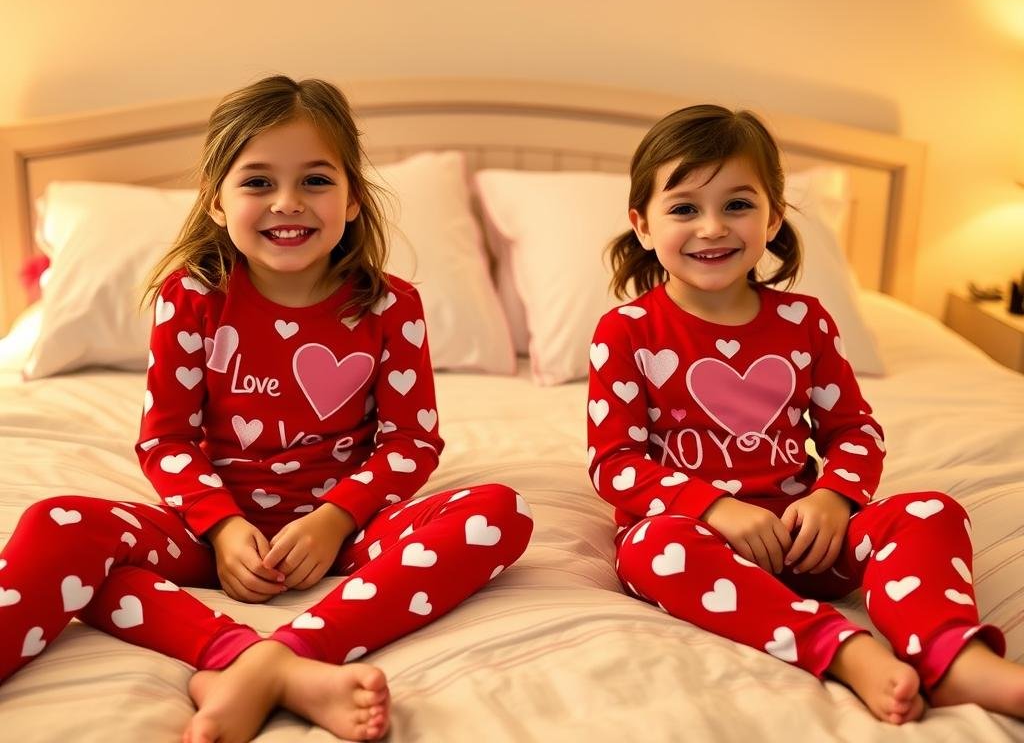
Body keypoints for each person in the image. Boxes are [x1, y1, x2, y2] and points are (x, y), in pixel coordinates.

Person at [0, 76, 533, 743]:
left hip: (347, 537)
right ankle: (243, 657)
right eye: (257, 183)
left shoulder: (391, 307)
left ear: (353, 200)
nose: (288, 203)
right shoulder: (192, 298)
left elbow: (411, 444)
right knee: (61, 526)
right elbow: (165, 441)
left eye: (315, 180)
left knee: (497, 514)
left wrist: (333, 521)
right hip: (205, 534)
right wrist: (222, 528)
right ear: (217, 203)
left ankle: (286, 656)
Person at [587, 103, 1022, 724]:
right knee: (651, 549)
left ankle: (954, 659)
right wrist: (713, 506)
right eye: (684, 208)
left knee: (931, 510)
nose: (712, 227)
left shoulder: (805, 322)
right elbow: (614, 463)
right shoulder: (627, 331)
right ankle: (842, 649)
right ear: (643, 224)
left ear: (773, 218)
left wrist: (835, 498)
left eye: (738, 204)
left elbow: (854, 431)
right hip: (701, 540)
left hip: (808, 539)